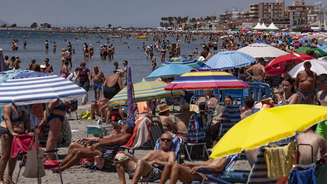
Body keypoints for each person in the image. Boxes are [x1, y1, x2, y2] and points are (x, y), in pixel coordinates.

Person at [54, 124, 133, 172]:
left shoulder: (125, 136)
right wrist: (97, 142)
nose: (123, 125)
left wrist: (98, 143)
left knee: (79, 152)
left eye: (124, 125)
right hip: (104, 148)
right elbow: (109, 139)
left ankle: (63, 168)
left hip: (108, 151)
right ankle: (61, 165)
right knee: (74, 150)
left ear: (127, 128)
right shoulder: (122, 134)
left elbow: (112, 142)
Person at [0, 104, 29, 184]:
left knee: (14, 155)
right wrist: (12, 132)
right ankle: (0, 178)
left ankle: (9, 178)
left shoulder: (22, 106)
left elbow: (26, 119)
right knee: (5, 155)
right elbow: (7, 119)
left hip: (18, 132)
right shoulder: (8, 106)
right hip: (6, 131)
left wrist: (27, 129)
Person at [163, 155, 230, 184]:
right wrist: (190, 163)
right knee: (169, 165)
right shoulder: (216, 157)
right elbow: (205, 163)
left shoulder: (225, 157)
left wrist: (201, 167)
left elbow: (218, 168)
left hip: (207, 176)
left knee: (176, 166)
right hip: (200, 173)